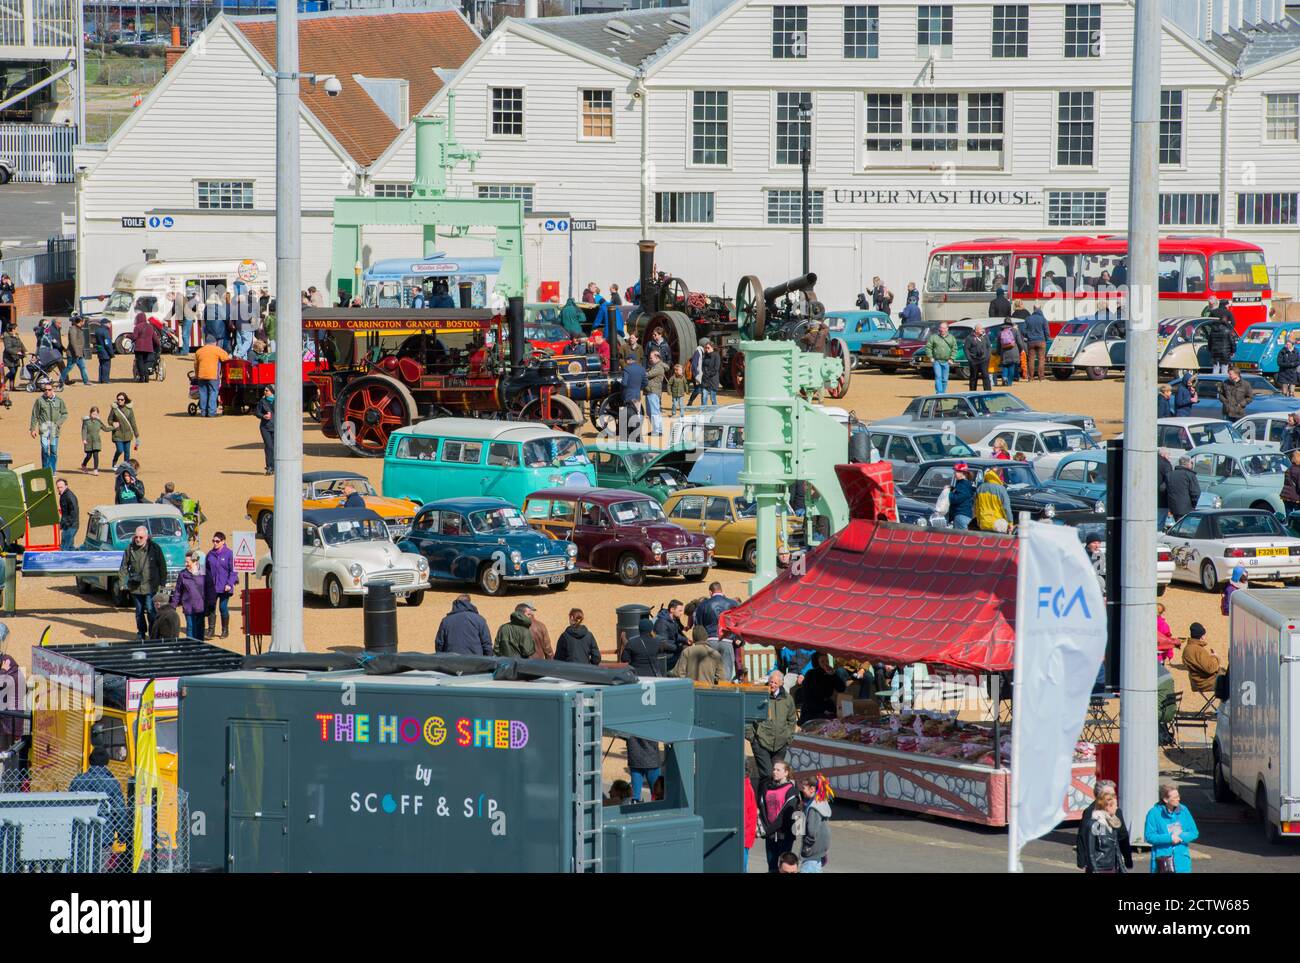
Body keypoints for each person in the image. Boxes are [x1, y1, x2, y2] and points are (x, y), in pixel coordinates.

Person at [69, 746, 129, 853]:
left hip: (80, 833)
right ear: (106, 762)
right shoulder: (112, 783)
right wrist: (122, 834)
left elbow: (69, 806)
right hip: (103, 835)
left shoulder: (77, 780)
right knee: (100, 866)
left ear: (90, 761)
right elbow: (119, 810)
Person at [747, 670, 798, 787]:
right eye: (771, 682)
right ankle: (762, 802)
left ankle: (773, 801)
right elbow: (748, 719)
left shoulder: (787, 699)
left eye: (775, 683)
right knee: (767, 774)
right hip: (761, 742)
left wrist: (788, 737)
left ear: (781, 683)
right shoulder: (760, 696)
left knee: (777, 776)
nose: (772, 685)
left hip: (780, 744)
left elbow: (791, 720)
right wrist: (752, 738)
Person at [119, 524, 167, 640]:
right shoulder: (130, 549)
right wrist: (122, 583)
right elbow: (124, 566)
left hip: (151, 587)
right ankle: (141, 632)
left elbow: (162, 566)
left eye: (140, 537)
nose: (138, 539)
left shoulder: (155, 548)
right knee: (139, 612)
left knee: (151, 610)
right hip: (136, 587)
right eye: (136, 537)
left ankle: (153, 632)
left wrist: (162, 584)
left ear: (146, 537)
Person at [1143, 783, 1199, 873]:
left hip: (1182, 862)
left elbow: (1194, 832)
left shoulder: (1184, 810)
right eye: (1175, 797)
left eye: (1178, 796)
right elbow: (1149, 836)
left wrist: (1180, 837)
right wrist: (1169, 838)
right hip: (1162, 862)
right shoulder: (1153, 813)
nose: (1179, 799)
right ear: (1165, 799)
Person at [758, 759, 801, 873]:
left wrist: (768, 830)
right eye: (774, 769)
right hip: (770, 835)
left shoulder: (791, 790)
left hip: (784, 835)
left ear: (786, 772)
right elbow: (762, 808)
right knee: (772, 867)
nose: (774, 772)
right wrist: (765, 827)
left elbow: (785, 816)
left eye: (778, 770)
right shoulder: (767, 787)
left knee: (784, 868)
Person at [1078, 785, 1132, 874]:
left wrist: (1124, 864)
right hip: (1099, 866)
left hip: (1112, 865)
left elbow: (1119, 843)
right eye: (1114, 805)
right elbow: (1088, 847)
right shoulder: (1094, 820)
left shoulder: (1114, 819)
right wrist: (1091, 867)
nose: (1117, 807)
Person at [203, 532, 237, 639]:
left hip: (225, 587)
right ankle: (211, 630)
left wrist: (229, 584)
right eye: (213, 541)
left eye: (217, 541)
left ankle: (225, 630)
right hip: (213, 587)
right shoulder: (210, 554)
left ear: (223, 541)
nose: (215, 543)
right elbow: (206, 570)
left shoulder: (229, 554)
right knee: (211, 607)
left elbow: (233, 571)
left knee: (223, 607)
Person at [798, 773, 833, 873]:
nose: (802, 791)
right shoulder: (820, 802)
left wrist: (806, 847)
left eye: (804, 788)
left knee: (808, 868)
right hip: (820, 849)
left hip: (813, 850)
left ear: (812, 789)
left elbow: (812, 832)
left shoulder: (814, 808)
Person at [30, 381, 68, 471]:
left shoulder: (59, 401)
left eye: (49, 389)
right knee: (45, 449)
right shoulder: (39, 401)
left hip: (55, 430)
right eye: (45, 390)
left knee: (53, 451)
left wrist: (58, 423)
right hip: (44, 430)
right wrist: (32, 429)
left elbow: (65, 414)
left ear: (53, 390)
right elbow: (35, 415)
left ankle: (52, 470)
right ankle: (45, 470)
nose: (47, 391)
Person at [799, 653, 846, 724]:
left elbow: (841, 688)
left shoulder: (830, 674)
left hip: (827, 705)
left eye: (827, 661)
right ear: (817, 662)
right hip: (812, 708)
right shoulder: (811, 674)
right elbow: (807, 697)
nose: (825, 664)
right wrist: (823, 710)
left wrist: (834, 676)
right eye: (822, 662)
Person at [170, 551, 207, 640]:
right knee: (190, 628)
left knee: (199, 629)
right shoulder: (182, 574)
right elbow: (178, 591)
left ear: (195, 562)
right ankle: (190, 649)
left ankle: (200, 648)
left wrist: (211, 604)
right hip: (188, 606)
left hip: (200, 606)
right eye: (185, 561)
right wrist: (173, 605)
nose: (185, 564)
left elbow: (210, 590)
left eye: (188, 562)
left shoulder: (204, 573)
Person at [194, 335, 230, 418]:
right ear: (215, 342)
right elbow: (226, 358)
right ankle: (211, 412)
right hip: (213, 375)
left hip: (201, 375)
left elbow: (196, 365)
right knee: (213, 393)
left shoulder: (199, 351)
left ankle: (203, 412)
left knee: (203, 393)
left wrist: (196, 375)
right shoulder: (217, 350)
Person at [1182, 622, 1220, 693]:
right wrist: (1215, 657)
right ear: (1201, 636)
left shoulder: (1187, 648)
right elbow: (1210, 668)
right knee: (1233, 681)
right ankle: (1229, 703)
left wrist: (1209, 658)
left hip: (1196, 681)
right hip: (1205, 682)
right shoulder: (1199, 650)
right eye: (1204, 635)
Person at [974, 468, 1013, 533]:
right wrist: (1010, 523)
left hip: (984, 523)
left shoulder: (980, 488)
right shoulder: (1001, 489)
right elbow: (1006, 508)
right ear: (999, 475)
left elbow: (977, 508)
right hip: (998, 524)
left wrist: (979, 522)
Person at [107, 392, 140, 467]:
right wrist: (113, 423)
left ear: (125, 400)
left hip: (128, 434)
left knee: (127, 452)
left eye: (121, 399)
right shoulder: (114, 409)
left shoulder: (129, 409)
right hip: (117, 433)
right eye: (118, 399)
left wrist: (137, 435)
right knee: (120, 450)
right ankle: (114, 461)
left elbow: (133, 422)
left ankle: (125, 466)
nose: (120, 401)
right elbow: (109, 420)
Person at [620, 352, 647, 441]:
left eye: (627, 360)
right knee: (636, 414)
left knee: (626, 416)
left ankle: (627, 436)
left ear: (630, 360)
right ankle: (637, 436)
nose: (626, 362)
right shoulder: (642, 369)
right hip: (637, 395)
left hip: (628, 395)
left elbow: (624, 383)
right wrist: (639, 388)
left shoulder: (627, 369)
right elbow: (645, 383)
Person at [925, 322, 957, 394]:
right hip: (937, 361)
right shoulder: (933, 337)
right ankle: (939, 393)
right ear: (939, 328)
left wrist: (951, 358)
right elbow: (928, 347)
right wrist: (930, 357)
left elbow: (954, 348)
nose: (942, 330)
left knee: (945, 379)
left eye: (944, 328)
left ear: (947, 329)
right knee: (938, 377)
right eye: (941, 328)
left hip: (947, 361)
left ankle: (943, 393)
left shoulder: (951, 338)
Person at [1166, 455, 1201, 520]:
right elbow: (1196, 493)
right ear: (1187, 463)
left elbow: (1164, 489)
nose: (1191, 464)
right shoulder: (1190, 475)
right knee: (1186, 528)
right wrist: (1193, 504)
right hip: (1186, 508)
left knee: (1178, 525)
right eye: (1191, 462)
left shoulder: (1170, 474)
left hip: (1173, 507)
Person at [1206, 309, 1237, 376]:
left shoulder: (1213, 330)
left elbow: (1210, 342)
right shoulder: (1227, 329)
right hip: (1225, 353)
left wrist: (1210, 350)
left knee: (1215, 369)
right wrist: (1233, 351)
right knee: (1224, 370)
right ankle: (1223, 384)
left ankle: (1214, 383)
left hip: (1215, 352)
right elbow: (1232, 342)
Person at [61, 315, 90, 386]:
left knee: (83, 367)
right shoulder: (73, 329)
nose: (84, 322)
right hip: (73, 353)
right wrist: (77, 353)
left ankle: (86, 381)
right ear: (80, 321)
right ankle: (61, 381)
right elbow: (73, 342)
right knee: (69, 367)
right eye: (84, 321)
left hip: (79, 353)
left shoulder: (79, 329)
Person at [644, 350, 667, 437]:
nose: (650, 359)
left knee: (654, 412)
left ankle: (657, 431)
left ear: (657, 357)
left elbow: (647, 374)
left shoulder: (658, 367)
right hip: (650, 391)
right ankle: (656, 430)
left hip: (653, 391)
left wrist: (639, 373)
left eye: (651, 358)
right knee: (651, 412)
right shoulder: (654, 366)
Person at [131, 311, 159, 382]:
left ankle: (141, 377)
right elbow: (155, 338)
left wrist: (128, 336)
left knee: (140, 362)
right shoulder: (150, 327)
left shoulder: (137, 327)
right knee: (147, 362)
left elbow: (134, 337)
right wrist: (158, 345)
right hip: (149, 348)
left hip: (139, 348)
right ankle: (146, 376)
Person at [997, 319, 1026, 386]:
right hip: (1013, 351)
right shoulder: (1015, 331)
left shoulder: (1000, 332)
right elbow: (1019, 342)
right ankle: (1009, 382)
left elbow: (998, 343)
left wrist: (998, 352)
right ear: (1011, 323)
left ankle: (1004, 378)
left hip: (1004, 352)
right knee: (1011, 366)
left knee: (1005, 366)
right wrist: (1021, 349)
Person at [964, 324, 992, 392]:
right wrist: (970, 359)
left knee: (985, 376)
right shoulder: (969, 338)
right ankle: (972, 393)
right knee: (973, 377)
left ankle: (988, 393)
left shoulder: (985, 337)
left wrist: (987, 356)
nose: (982, 330)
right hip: (974, 361)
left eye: (982, 329)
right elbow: (966, 349)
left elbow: (989, 347)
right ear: (976, 330)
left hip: (984, 360)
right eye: (980, 329)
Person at [948, 463, 976, 530]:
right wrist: (952, 489)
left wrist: (949, 494)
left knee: (960, 539)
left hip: (961, 516)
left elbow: (957, 498)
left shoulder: (963, 485)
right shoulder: (964, 484)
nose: (955, 473)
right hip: (964, 515)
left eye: (957, 471)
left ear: (964, 473)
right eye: (955, 471)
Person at [255, 385, 275, 475]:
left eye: (267, 390)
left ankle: (276, 466)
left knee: (276, 447)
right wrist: (263, 416)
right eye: (264, 390)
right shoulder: (262, 401)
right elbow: (257, 412)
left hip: (276, 427)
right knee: (269, 446)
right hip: (265, 427)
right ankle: (269, 466)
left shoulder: (278, 401)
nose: (265, 392)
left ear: (272, 391)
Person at [742, 772, 759, 872]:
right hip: (745, 835)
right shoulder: (746, 785)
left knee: (741, 867)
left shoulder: (744, 787)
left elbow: (744, 816)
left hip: (744, 837)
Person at [55, 478, 79, 551]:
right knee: (70, 548)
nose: (59, 489)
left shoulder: (69, 496)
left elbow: (74, 512)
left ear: (66, 486)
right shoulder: (63, 495)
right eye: (58, 487)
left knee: (64, 547)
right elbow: (65, 512)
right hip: (68, 525)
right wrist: (62, 523)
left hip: (71, 526)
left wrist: (66, 524)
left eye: (61, 487)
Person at [2, 322, 24, 390]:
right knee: (12, 371)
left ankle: (12, 387)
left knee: (14, 372)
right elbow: (8, 348)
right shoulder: (7, 337)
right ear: (13, 329)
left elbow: (21, 344)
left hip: (16, 357)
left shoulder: (16, 336)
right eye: (16, 328)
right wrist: (17, 352)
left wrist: (25, 351)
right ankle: (2, 384)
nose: (17, 329)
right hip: (9, 358)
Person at [92, 317, 114, 383]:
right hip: (105, 352)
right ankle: (105, 380)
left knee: (101, 365)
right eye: (109, 323)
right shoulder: (105, 332)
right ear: (105, 324)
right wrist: (111, 353)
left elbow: (97, 342)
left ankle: (100, 379)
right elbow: (107, 343)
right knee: (106, 366)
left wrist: (99, 350)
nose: (110, 325)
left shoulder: (97, 330)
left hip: (100, 350)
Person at [700, 340, 721, 407]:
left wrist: (708, 373)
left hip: (713, 380)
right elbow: (702, 366)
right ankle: (704, 412)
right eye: (706, 348)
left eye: (708, 347)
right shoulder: (705, 355)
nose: (706, 349)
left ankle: (714, 411)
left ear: (712, 348)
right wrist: (705, 373)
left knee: (712, 398)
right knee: (704, 397)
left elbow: (716, 368)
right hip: (705, 379)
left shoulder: (716, 355)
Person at [686, 339, 707, 406]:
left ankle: (690, 402)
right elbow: (694, 365)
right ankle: (690, 402)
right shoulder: (698, 352)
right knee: (698, 389)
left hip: (699, 373)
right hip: (697, 374)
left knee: (698, 389)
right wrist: (696, 375)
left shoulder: (701, 351)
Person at [1156, 448, 1174, 529]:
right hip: (1162, 498)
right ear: (1163, 454)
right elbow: (1169, 480)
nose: (1169, 457)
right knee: (1160, 521)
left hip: (1149, 498)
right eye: (1168, 454)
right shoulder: (1166, 464)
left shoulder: (1151, 460)